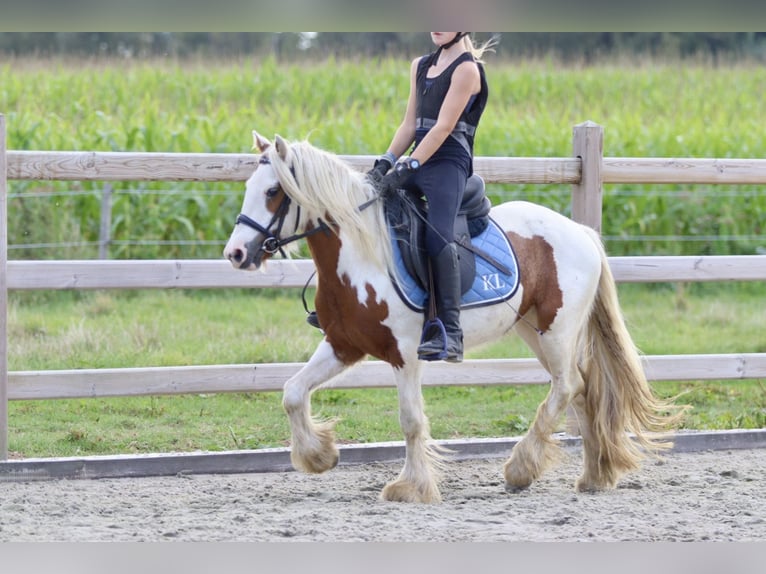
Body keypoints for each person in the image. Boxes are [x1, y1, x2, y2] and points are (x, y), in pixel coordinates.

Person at [369, 32, 494, 363]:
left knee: (439, 234)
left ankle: (450, 332)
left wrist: (409, 165)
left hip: (449, 163)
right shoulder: (420, 65)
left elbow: (442, 128)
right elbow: (410, 125)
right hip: (417, 158)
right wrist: (385, 163)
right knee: (371, 211)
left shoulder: (468, 70)